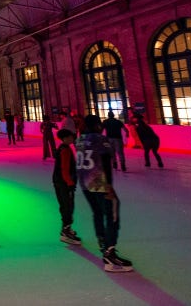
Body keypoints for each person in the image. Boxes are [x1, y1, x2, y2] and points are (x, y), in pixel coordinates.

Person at [76, 115, 133, 272]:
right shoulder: (101, 139)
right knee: (112, 214)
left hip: (84, 182)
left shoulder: (79, 139)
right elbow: (106, 162)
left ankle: (102, 242)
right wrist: (109, 185)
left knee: (97, 213)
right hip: (99, 183)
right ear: (96, 125)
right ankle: (110, 252)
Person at [53, 128, 81, 245]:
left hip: (59, 181)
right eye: (70, 137)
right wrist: (70, 183)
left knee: (65, 205)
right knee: (68, 206)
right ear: (65, 138)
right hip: (64, 183)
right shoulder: (65, 150)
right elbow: (65, 169)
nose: (72, 138)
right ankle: (65, 232)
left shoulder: (62, 148)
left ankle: (67, 228)